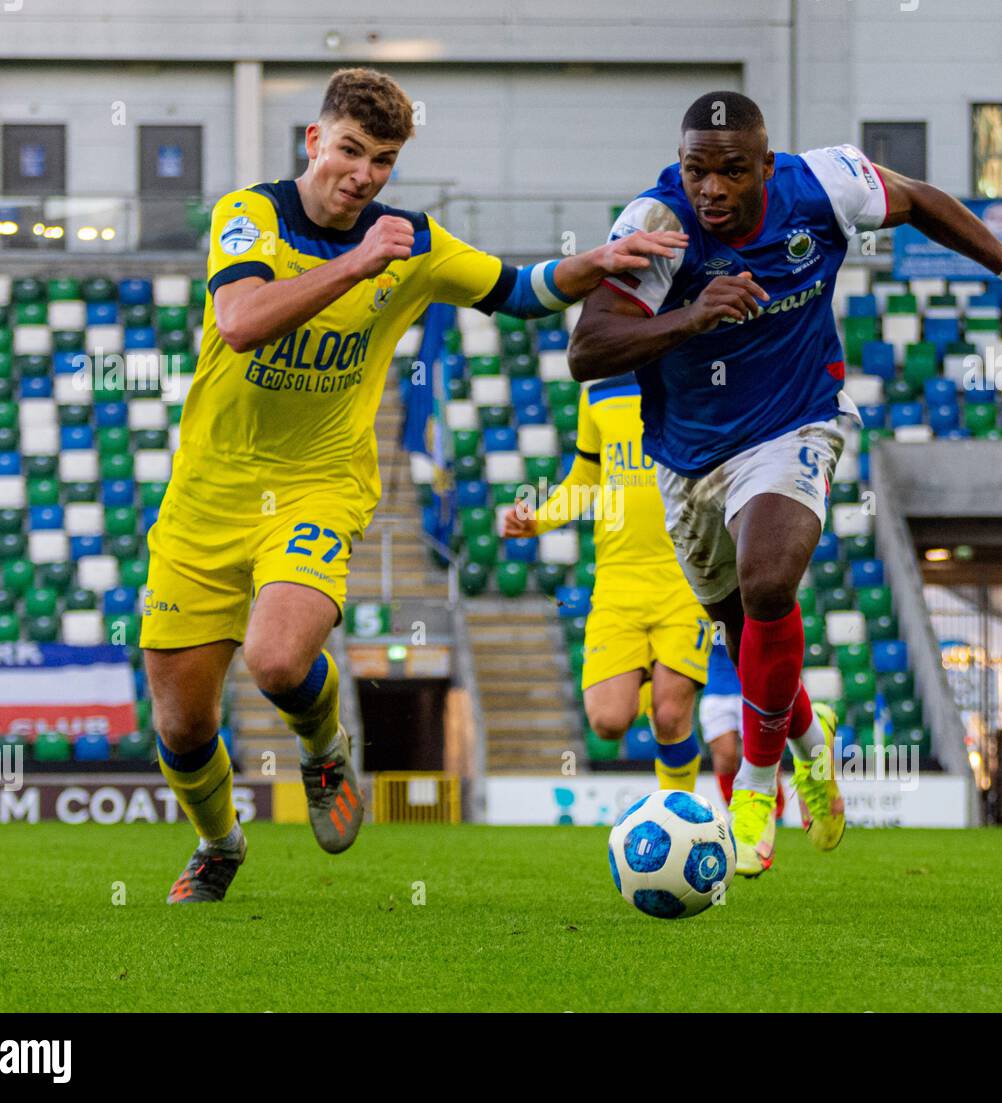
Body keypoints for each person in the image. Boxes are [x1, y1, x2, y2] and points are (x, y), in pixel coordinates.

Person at [145, 67, 685, 903]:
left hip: (321, 483)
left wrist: (599, 262)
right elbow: (242, 322)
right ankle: (219, 844)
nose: (363, 174)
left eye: (384, 160)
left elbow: (519, 289)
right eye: (351, 151)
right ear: (314, 141)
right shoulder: (250, 214)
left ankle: (326, 749)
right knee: (181, 724)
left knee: (279, 656)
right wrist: (361, 264)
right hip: (207, 493)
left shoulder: (412, 240)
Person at [567, 90, 1002, 877]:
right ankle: (809, 745)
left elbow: (919, 200)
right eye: (696, 170)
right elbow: (589, 350)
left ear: (766, 165)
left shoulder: (824, 185)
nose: (711, 188)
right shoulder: (655, 225)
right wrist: (692, 317)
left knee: (769, 583)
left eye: (731, 171)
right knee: (743, 637)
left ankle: (756, 784)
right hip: (686, 456)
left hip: (795, 423)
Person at [500, 372, 711, 791]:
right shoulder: (598, 389)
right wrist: (537, 520)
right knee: (608, 721)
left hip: (684, 577)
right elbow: (584, 479)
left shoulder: (692, 371)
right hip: (617, 584)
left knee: (670, 717)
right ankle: (654, 678)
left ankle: (674, 816)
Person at [699, 641, 786, 823]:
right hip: (717, 690)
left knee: (762, 754)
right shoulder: (708, 613)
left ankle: (775, 814)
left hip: (755, 687)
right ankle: (738, 814)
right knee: (725, 755)